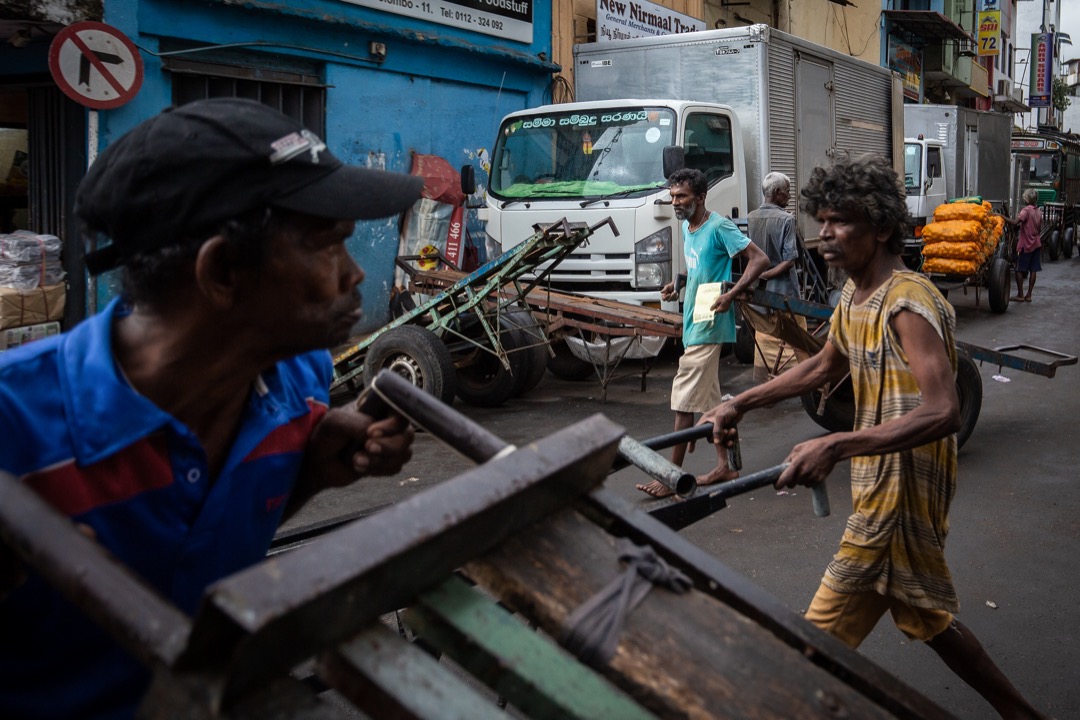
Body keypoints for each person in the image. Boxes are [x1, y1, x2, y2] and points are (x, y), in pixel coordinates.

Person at [0, 98, 424, 719]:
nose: (356, 274)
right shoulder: (14, 424)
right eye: (327, 246)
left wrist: (308, 471)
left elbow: (194, 543)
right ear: (223, 270)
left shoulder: (299, 383)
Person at [699, 155, 1044, 719]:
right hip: (881, 480)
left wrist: (834, 445)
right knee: (928, 617)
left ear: (882, 227)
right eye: (822, 221)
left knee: (809, 647)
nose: (825, 235)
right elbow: (823, 367)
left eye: (840, 222)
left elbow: (944, 412)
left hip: (901, 493)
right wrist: (740, 401)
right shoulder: (855, 298)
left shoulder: (907, 300)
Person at [636, 167, 768, 498]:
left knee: (683, 403)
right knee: (712, 404)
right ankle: (726, 465)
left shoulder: (719, 226)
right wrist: (677, 282)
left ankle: (670, 477)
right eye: (672, 196)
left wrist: (732, 293)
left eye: (681, 196)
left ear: (701, 197)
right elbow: (696, 265)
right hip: (693, 320)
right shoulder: (687, 226)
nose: (675, 202)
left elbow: (759, 259)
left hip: (710, 321)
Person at [745, 172, 809, 377]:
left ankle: (765, 379)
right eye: (787, 192)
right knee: (798, 337)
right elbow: (789, 261)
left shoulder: (752, 217)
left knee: (765, 333)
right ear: (777, 193)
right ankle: (805, 379)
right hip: (785, 291)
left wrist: (759, 276)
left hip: (761, 293)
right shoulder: (787, 220)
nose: (790, 196)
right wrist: (767, 274)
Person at [1001, 189, 1042, 302]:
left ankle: (1020, 294)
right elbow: (1038, 228)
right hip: (1036, 244)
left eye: (1024, 197)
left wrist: (1001, 216)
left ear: (1027, 199)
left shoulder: (1026, 211)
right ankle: (1029, 295)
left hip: (1026, 245)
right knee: (1033, 269)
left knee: (1019, 269)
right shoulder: (1038, 211)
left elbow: (1014, 222)